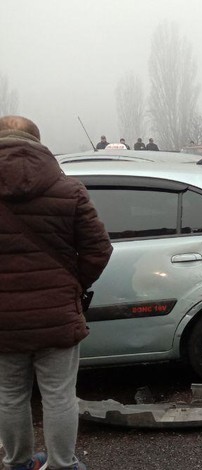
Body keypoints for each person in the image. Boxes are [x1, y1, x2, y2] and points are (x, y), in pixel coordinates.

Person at [0, 116, 112, 470]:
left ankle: (17, 462)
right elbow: (99, 249)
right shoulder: (70, 190)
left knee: (9, 396)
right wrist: (73, 284)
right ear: (38, 142)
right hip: (57, 314)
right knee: (59, 395)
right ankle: (63, 464)